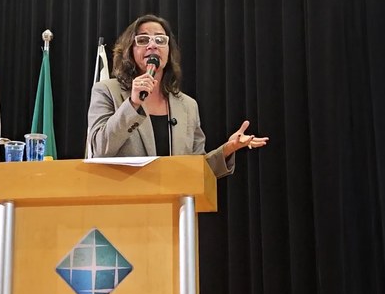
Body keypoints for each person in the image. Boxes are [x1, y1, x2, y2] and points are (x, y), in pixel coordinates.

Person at [86, 14, 268, 178]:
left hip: (175, 209)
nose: (152, 45)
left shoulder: (187, 106)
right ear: (129, 50)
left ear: (169, 51)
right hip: (126, 207)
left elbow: (196, 170)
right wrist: (132, 104)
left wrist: (228, 149)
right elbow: (99, 150)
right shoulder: (107, 90)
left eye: (160, 40)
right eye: (143, 40)